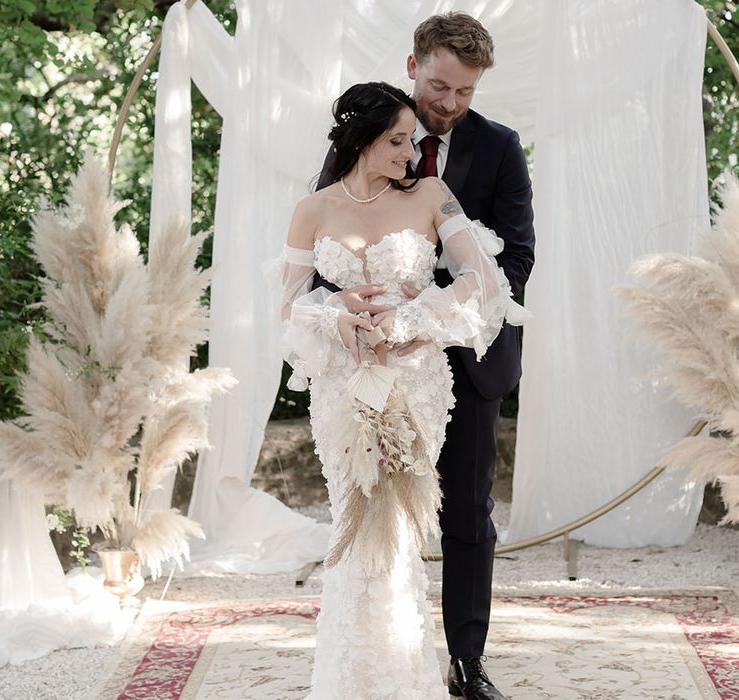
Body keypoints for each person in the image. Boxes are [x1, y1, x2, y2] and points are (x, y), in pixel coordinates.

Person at [312, 13, 535, 700]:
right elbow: (326, 236)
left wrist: (425, 317)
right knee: (375, 507)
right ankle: (381, 660)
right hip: (371, 368)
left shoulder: (499, 148)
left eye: (465, 92)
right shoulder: (367, 135)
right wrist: (349, 313)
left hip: (463, 363)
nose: (450, 104)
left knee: (468, 514)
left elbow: (515, 259)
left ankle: (468, 664)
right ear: (413, 67)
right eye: (441, 86)